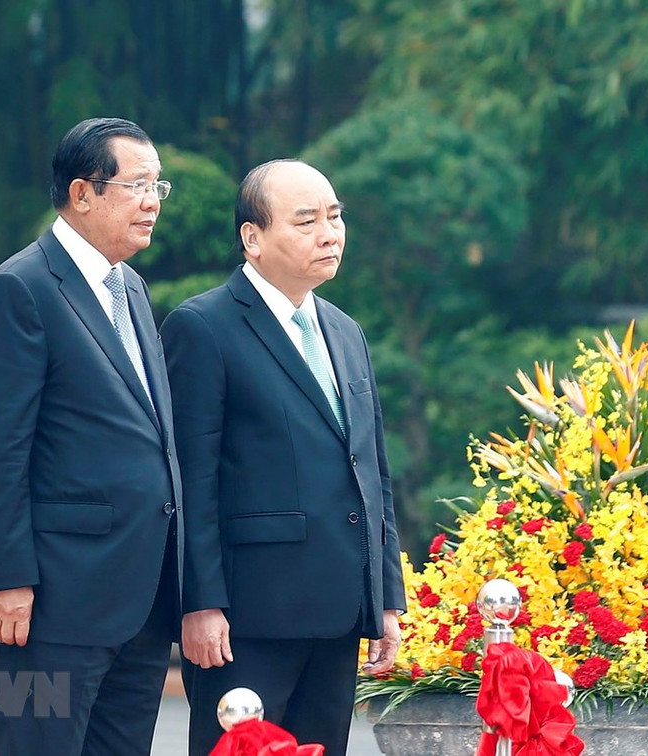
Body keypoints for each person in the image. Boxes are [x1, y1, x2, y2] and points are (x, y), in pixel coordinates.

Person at [161, 159, 406, 756]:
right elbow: (191, 480)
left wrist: (386, 598)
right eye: (306, 221)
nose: (330, 233)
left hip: (340, 608)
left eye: (335, 217)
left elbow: (371, 472)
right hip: (248, 617)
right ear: (253, 238)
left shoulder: (345, 332)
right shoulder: (203, 326)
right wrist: (199, 601)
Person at [0, 117, 183, 756]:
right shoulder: (21, 288)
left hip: (138, 605)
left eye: (158, 187)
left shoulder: (131, 288)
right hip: (52, 608)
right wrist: (4, 579)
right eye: (138, 185)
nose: (152, 202)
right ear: (83, 194)